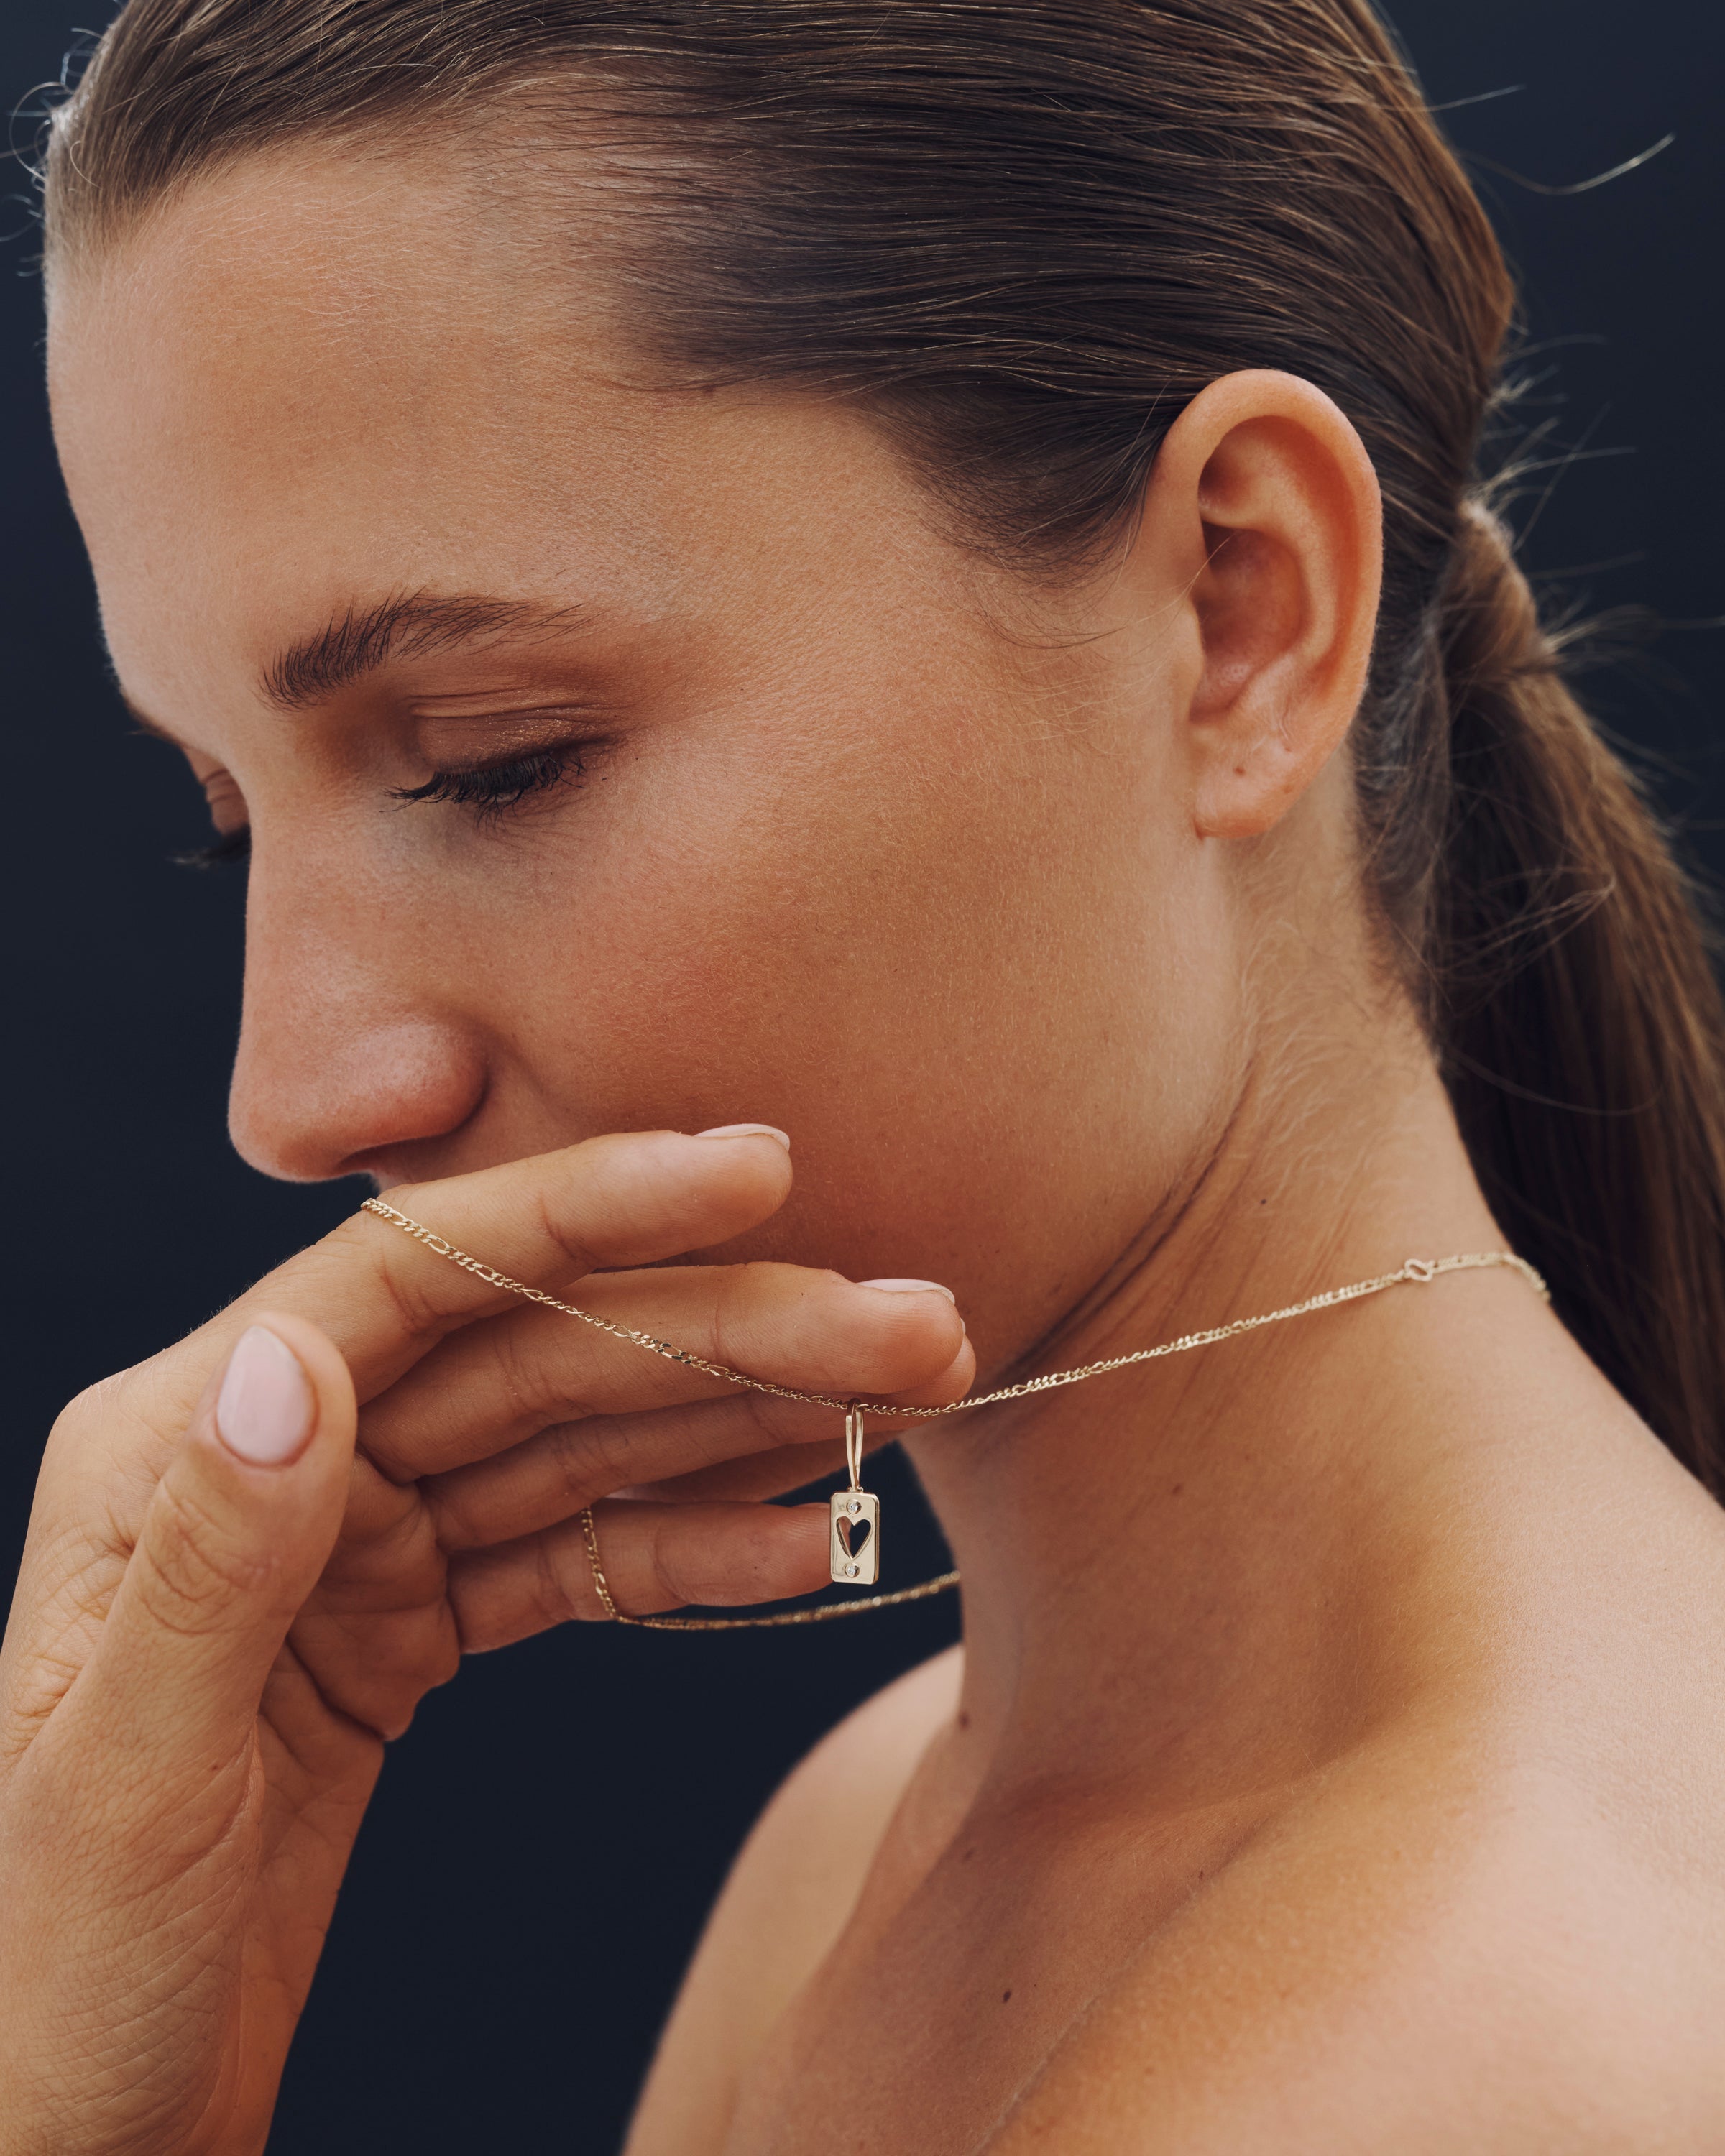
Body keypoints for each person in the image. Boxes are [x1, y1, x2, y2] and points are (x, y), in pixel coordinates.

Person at [6, 0, 1725, 2148]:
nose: (296, 1097)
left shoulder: (1484, 2048)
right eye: (231, 818)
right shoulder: (874, 1836)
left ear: (1238, 613)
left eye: (489, 761)